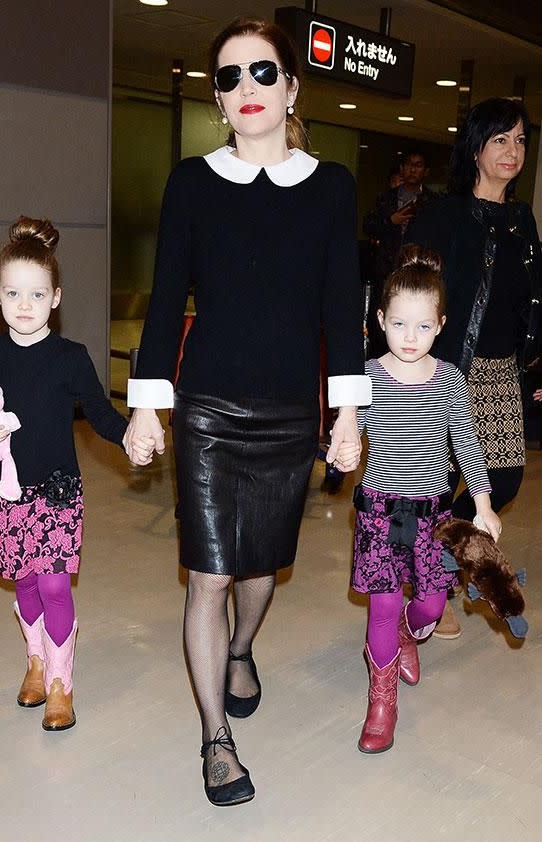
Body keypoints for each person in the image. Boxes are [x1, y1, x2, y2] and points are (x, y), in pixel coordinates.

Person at [123, 17, 370, 806]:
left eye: (262, 73)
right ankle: (215, 741)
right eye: (229, 79)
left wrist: (349, 412)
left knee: (260, 569)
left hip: (288, 412)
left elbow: (342, 309)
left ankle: (240, 648)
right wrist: (146, 406)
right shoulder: (192, 183)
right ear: (218, 101)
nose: (247, 90)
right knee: (208, 573)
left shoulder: (332, 188)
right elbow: (166, 304)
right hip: (206, 410)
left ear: (291, 87)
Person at [0, 217, 129, 732]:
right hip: (9, 493)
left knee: (53, 584)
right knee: (24, 583)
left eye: (37, 293)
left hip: (56, 492)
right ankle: (34, 659)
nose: (24, 304)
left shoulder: (71, 357)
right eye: (13, 293)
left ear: (56, 297)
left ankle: (60, 683)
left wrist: (131, 436)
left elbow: (100, 414)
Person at [339, 245, 501, 754]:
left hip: (433, 517)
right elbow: (349, 435)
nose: (410, 338)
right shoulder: (363, 378)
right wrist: (341, 451)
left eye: (424, 327)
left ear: (441, 324)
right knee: (382, 606)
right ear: (381, 319)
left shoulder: (451, 381)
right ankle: (381, 699)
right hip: (378, 516)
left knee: (430, 604)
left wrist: (483, 502)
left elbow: (468, 444)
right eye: (400, 324)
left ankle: (413, 632)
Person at [407, 98, 542, 638]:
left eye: (521, 141)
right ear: (476, 147)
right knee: (436, 484)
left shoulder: (522, 219)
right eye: (500, 139)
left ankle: (445, 550)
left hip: (501, 369)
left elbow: (528, 301)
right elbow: (411, 291)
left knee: (503, 479)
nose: (513, 151)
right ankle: (432, 584)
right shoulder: (443, 215)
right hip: (446, 368)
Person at [363, 149, 438, 357]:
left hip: (420, 274)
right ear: (402, 169)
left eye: (418, 165)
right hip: (387, 271)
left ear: (426, 171)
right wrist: (391, 221)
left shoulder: (434, 202)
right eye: (409, 165)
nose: (413, 169)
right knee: (382, 327)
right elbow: (368, 225)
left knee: (416, 325)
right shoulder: (386, 198)